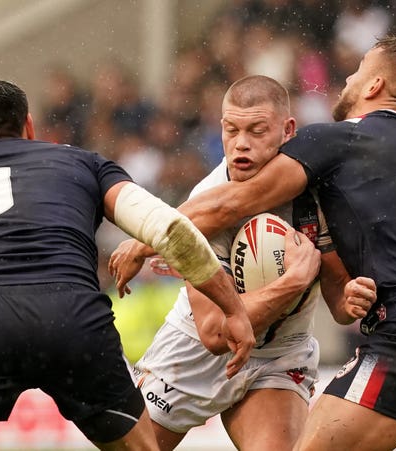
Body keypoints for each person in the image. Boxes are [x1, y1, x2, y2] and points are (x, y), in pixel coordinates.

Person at [113, 34, 396, 450]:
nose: (347, 77)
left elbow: (233, 207)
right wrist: (343, 290)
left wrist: (144, 237)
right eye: (231, 129)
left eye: (358, 69)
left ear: (374, 86)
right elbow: (217, 329)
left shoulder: (335, 143)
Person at [0, 78, 255, 451]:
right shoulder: (81, 162)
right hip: (75, 323)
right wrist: (233, 308)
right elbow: (170, 229)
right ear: (29, 126)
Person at [110, 75, 377, 450]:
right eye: (231, 130)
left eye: (257, 130)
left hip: (279, 355)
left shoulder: (319, 197)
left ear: (288, 130)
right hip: (193, 356)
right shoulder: (205, 202)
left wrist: (351, 296)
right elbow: (217, 334)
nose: (241, 144)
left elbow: (340, 305)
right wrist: (293, 282)